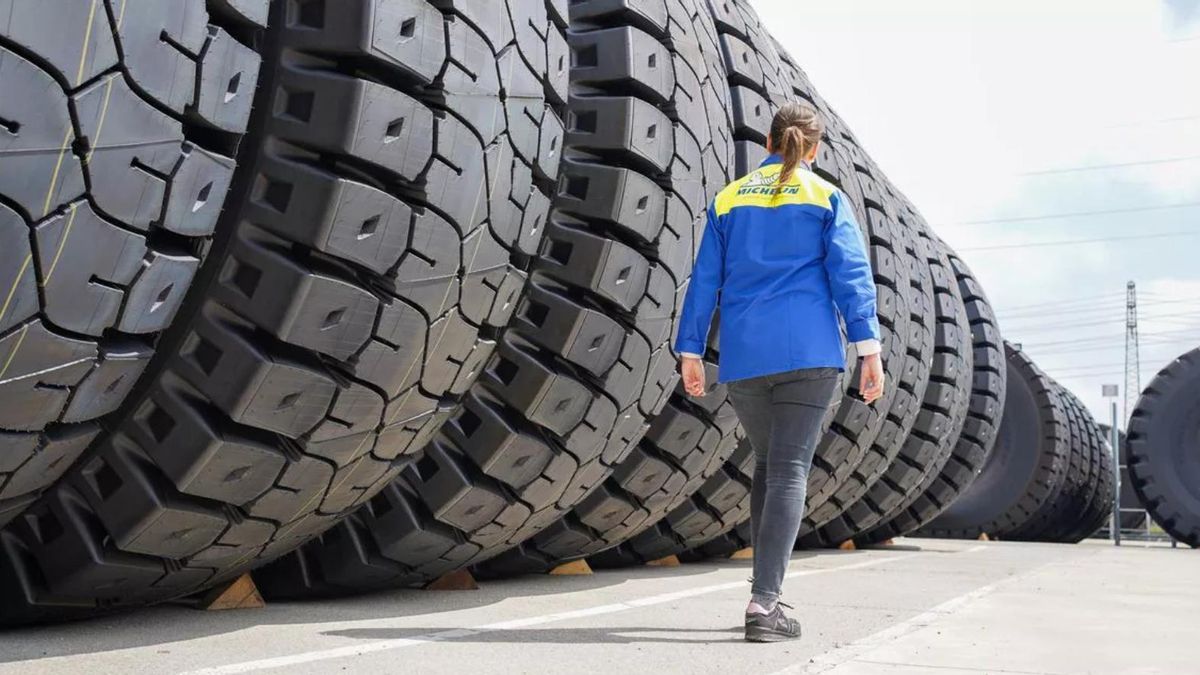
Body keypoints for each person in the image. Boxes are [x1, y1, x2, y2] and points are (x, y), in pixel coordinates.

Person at [674, 102, 885, 643]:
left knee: (769, 467)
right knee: (789, 470)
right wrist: (869, 350)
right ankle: (764, 604)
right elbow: (851, 276)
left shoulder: (728, 198)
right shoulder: (826, 197)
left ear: (767, 143)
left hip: (745, 359)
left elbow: (703, 280)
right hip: (810, 355)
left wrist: (691, 350)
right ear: (813, 149)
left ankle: (761, 593)